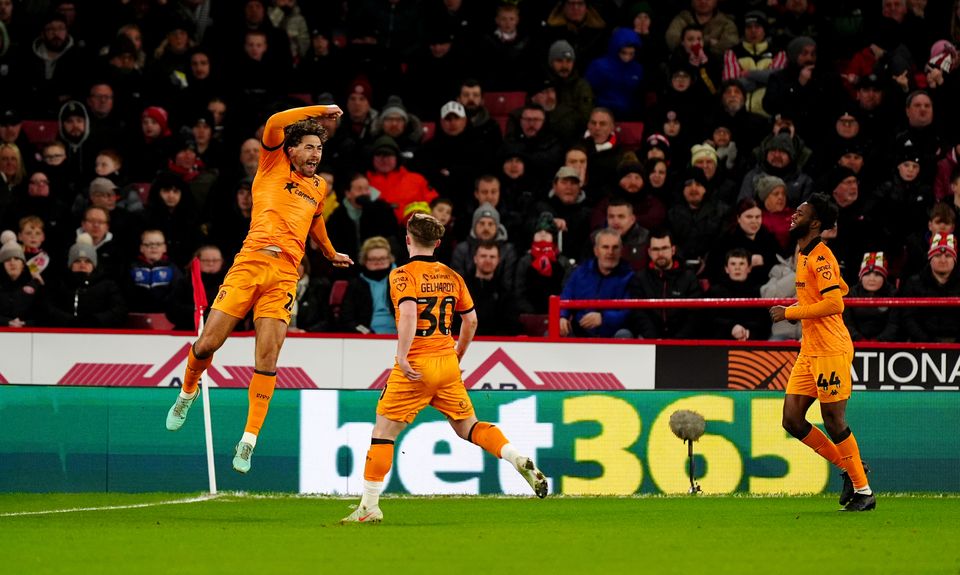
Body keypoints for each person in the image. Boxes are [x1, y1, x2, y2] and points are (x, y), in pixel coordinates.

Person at [164, 103, 353, 475]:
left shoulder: (319, 187)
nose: (316, 154)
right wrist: (319, 112)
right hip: (250, 264)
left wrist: (330, 252)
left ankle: (248, 441)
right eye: (310, 147)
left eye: (320, 148)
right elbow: (273, 122)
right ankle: (187, 393)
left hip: (285, 275)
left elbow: (315, 223)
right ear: (292, 149)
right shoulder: (272, 165)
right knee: (209, 343)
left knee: (267, 357)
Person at [340, 213, 546, 524]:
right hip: (447, 363)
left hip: (417, 365)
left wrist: (402, 356)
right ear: (437, 243)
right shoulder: (452, 275)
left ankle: (369, 506)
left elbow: (408, 315)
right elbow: (471, 321)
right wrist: (458, 355)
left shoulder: (401, 275)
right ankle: (514, 456)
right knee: (469, 427)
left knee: (383, 432)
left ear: (408, 240)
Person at [769, 193, 875, 512]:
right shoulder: (804, 253)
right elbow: (836, 289)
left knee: (833, 419)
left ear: (815, 223)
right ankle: (848, 468)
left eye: (799, 213)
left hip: (830, 348)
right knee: (792, 419)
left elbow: (835, 303)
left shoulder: (821, 256)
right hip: (810, 348)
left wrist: (790, 313)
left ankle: (864, 490)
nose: (792, 216)